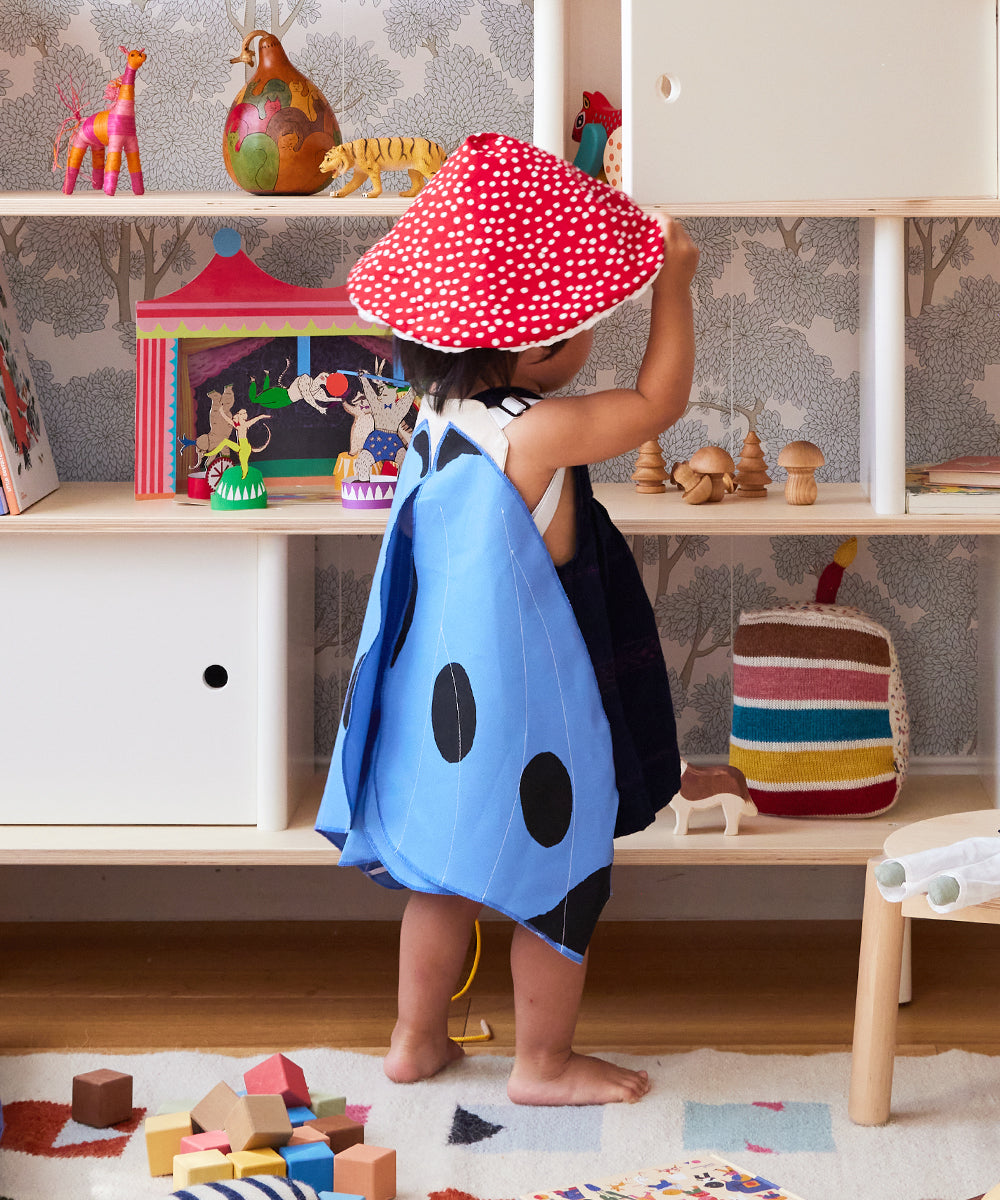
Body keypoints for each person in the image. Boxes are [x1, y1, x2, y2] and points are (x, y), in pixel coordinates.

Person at [316, 132, 699, 1106]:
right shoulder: (540, 430)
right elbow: (660, 402)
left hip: (446, 695)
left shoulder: (430, 419)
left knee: (440, 877)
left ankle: (414, 1039)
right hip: (532, 690)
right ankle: (542, 1064)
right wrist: (674, 284)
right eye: (581, 322)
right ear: (535, 344)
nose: (589, 337)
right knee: (560, 877)